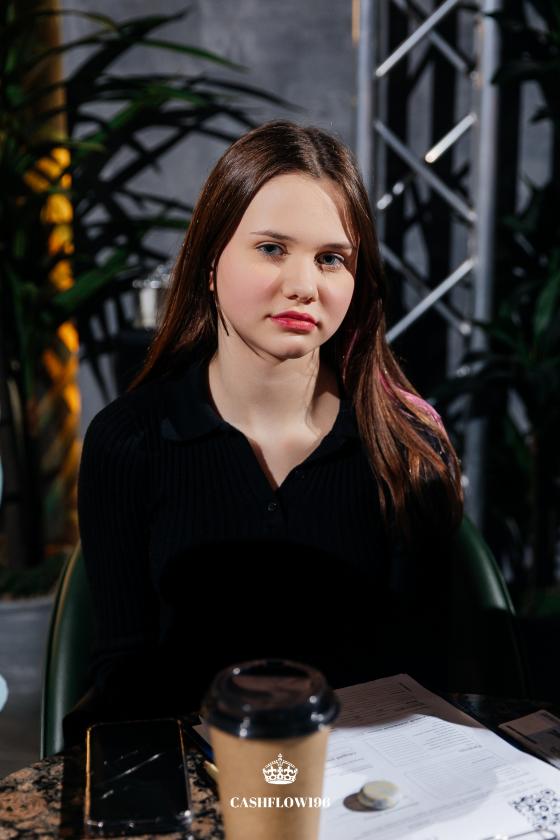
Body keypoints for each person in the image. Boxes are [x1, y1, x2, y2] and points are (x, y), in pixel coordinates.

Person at [62, 119, 463, 749]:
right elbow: (123, 679)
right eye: (272, 248)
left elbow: (432, 677)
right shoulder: (129, 441)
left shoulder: (408, 447)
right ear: (210, 263)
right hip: (191, 776)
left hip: (374, 781)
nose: (303, 285)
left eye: (331, 258)